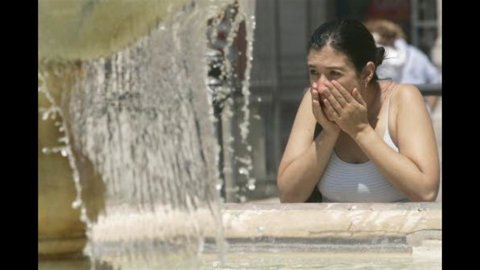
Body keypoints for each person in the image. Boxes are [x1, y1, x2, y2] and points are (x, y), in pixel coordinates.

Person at [276, 19, 439, 203]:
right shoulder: (312, 100)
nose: (320, 86)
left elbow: (426, 192)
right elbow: (288, 196)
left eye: (334, 73)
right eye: (314, 72)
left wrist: (361, 131)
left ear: (367, 72)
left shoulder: (403, 98)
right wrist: (329, 133)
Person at [364, 19, 442, 111]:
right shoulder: (415, 54)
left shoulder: (414, 55)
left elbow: (435, 80)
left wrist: (427, 109)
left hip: (402, 110)